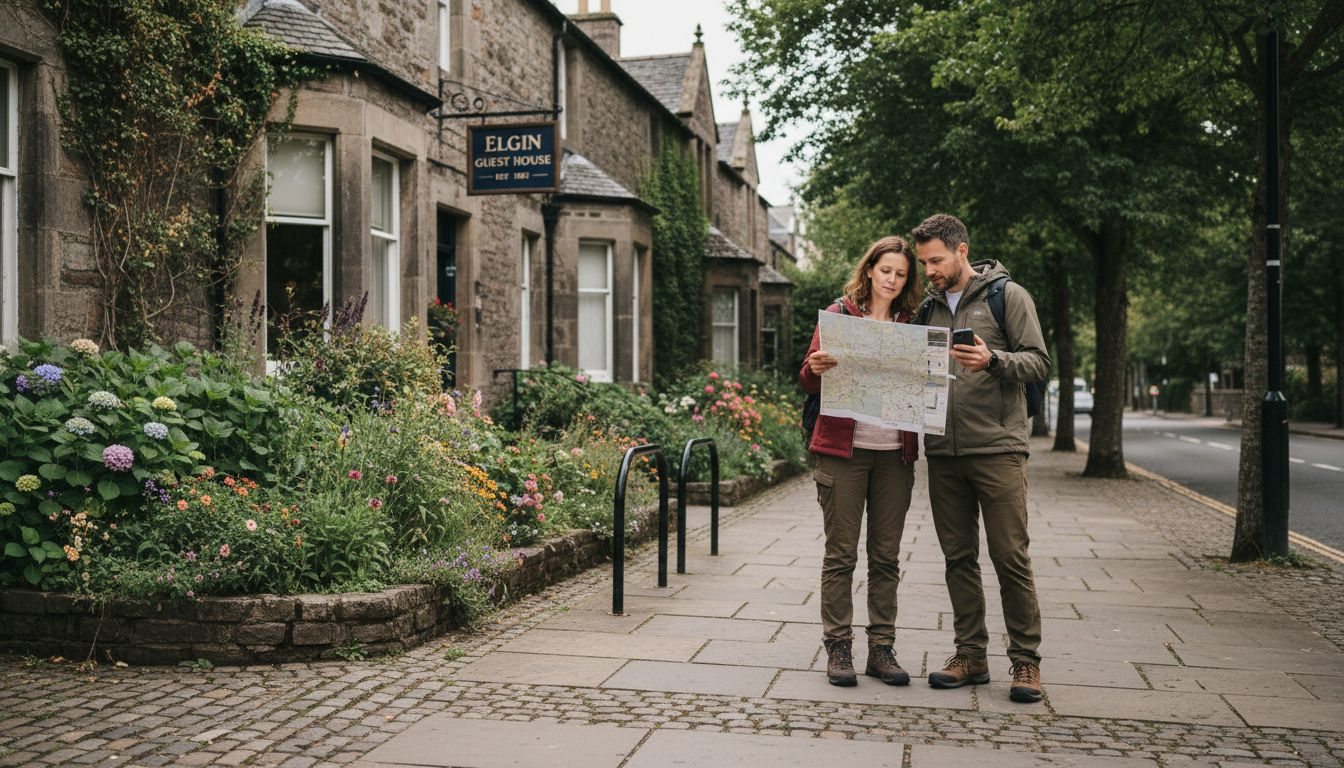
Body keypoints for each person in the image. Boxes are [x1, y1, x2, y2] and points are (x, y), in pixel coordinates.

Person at [911, 213, 1050, 703]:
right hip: (944, 452)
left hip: (998, 448)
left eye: (936, 260)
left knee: (1010, 556)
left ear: (961, 250)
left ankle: (1026, 662)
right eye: (923, 261)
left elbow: (1038, 361)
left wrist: (993, 360)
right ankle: (970, 655)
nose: (928, 270)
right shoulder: (926, 308)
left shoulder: (1006, 296)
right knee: (958, 558)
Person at [800, 236, 922, 687]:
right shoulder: (837, 317)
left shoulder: (914, 323)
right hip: (843, 454)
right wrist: (815, 367)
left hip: (895, 455)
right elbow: (807, 382)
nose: (892, 279)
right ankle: (838, 648)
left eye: (902, 273)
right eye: (885, 269)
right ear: (870, 269)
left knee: (886, 557)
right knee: (841, 555)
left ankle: (882, 650)